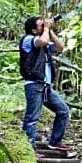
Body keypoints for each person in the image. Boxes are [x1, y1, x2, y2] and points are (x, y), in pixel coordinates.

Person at [19, 15, 70, 155]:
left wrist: (50, 30)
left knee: (63, 111)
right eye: (41, 26)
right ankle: (30, 149)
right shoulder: (28, 40)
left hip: (45, 87)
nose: (44, 27)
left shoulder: (44, 41)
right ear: (34, 30)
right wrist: (46, 30)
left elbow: (60, 47)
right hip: (34, 85)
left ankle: (55, 141)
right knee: (31, 118)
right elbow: (41, 41)